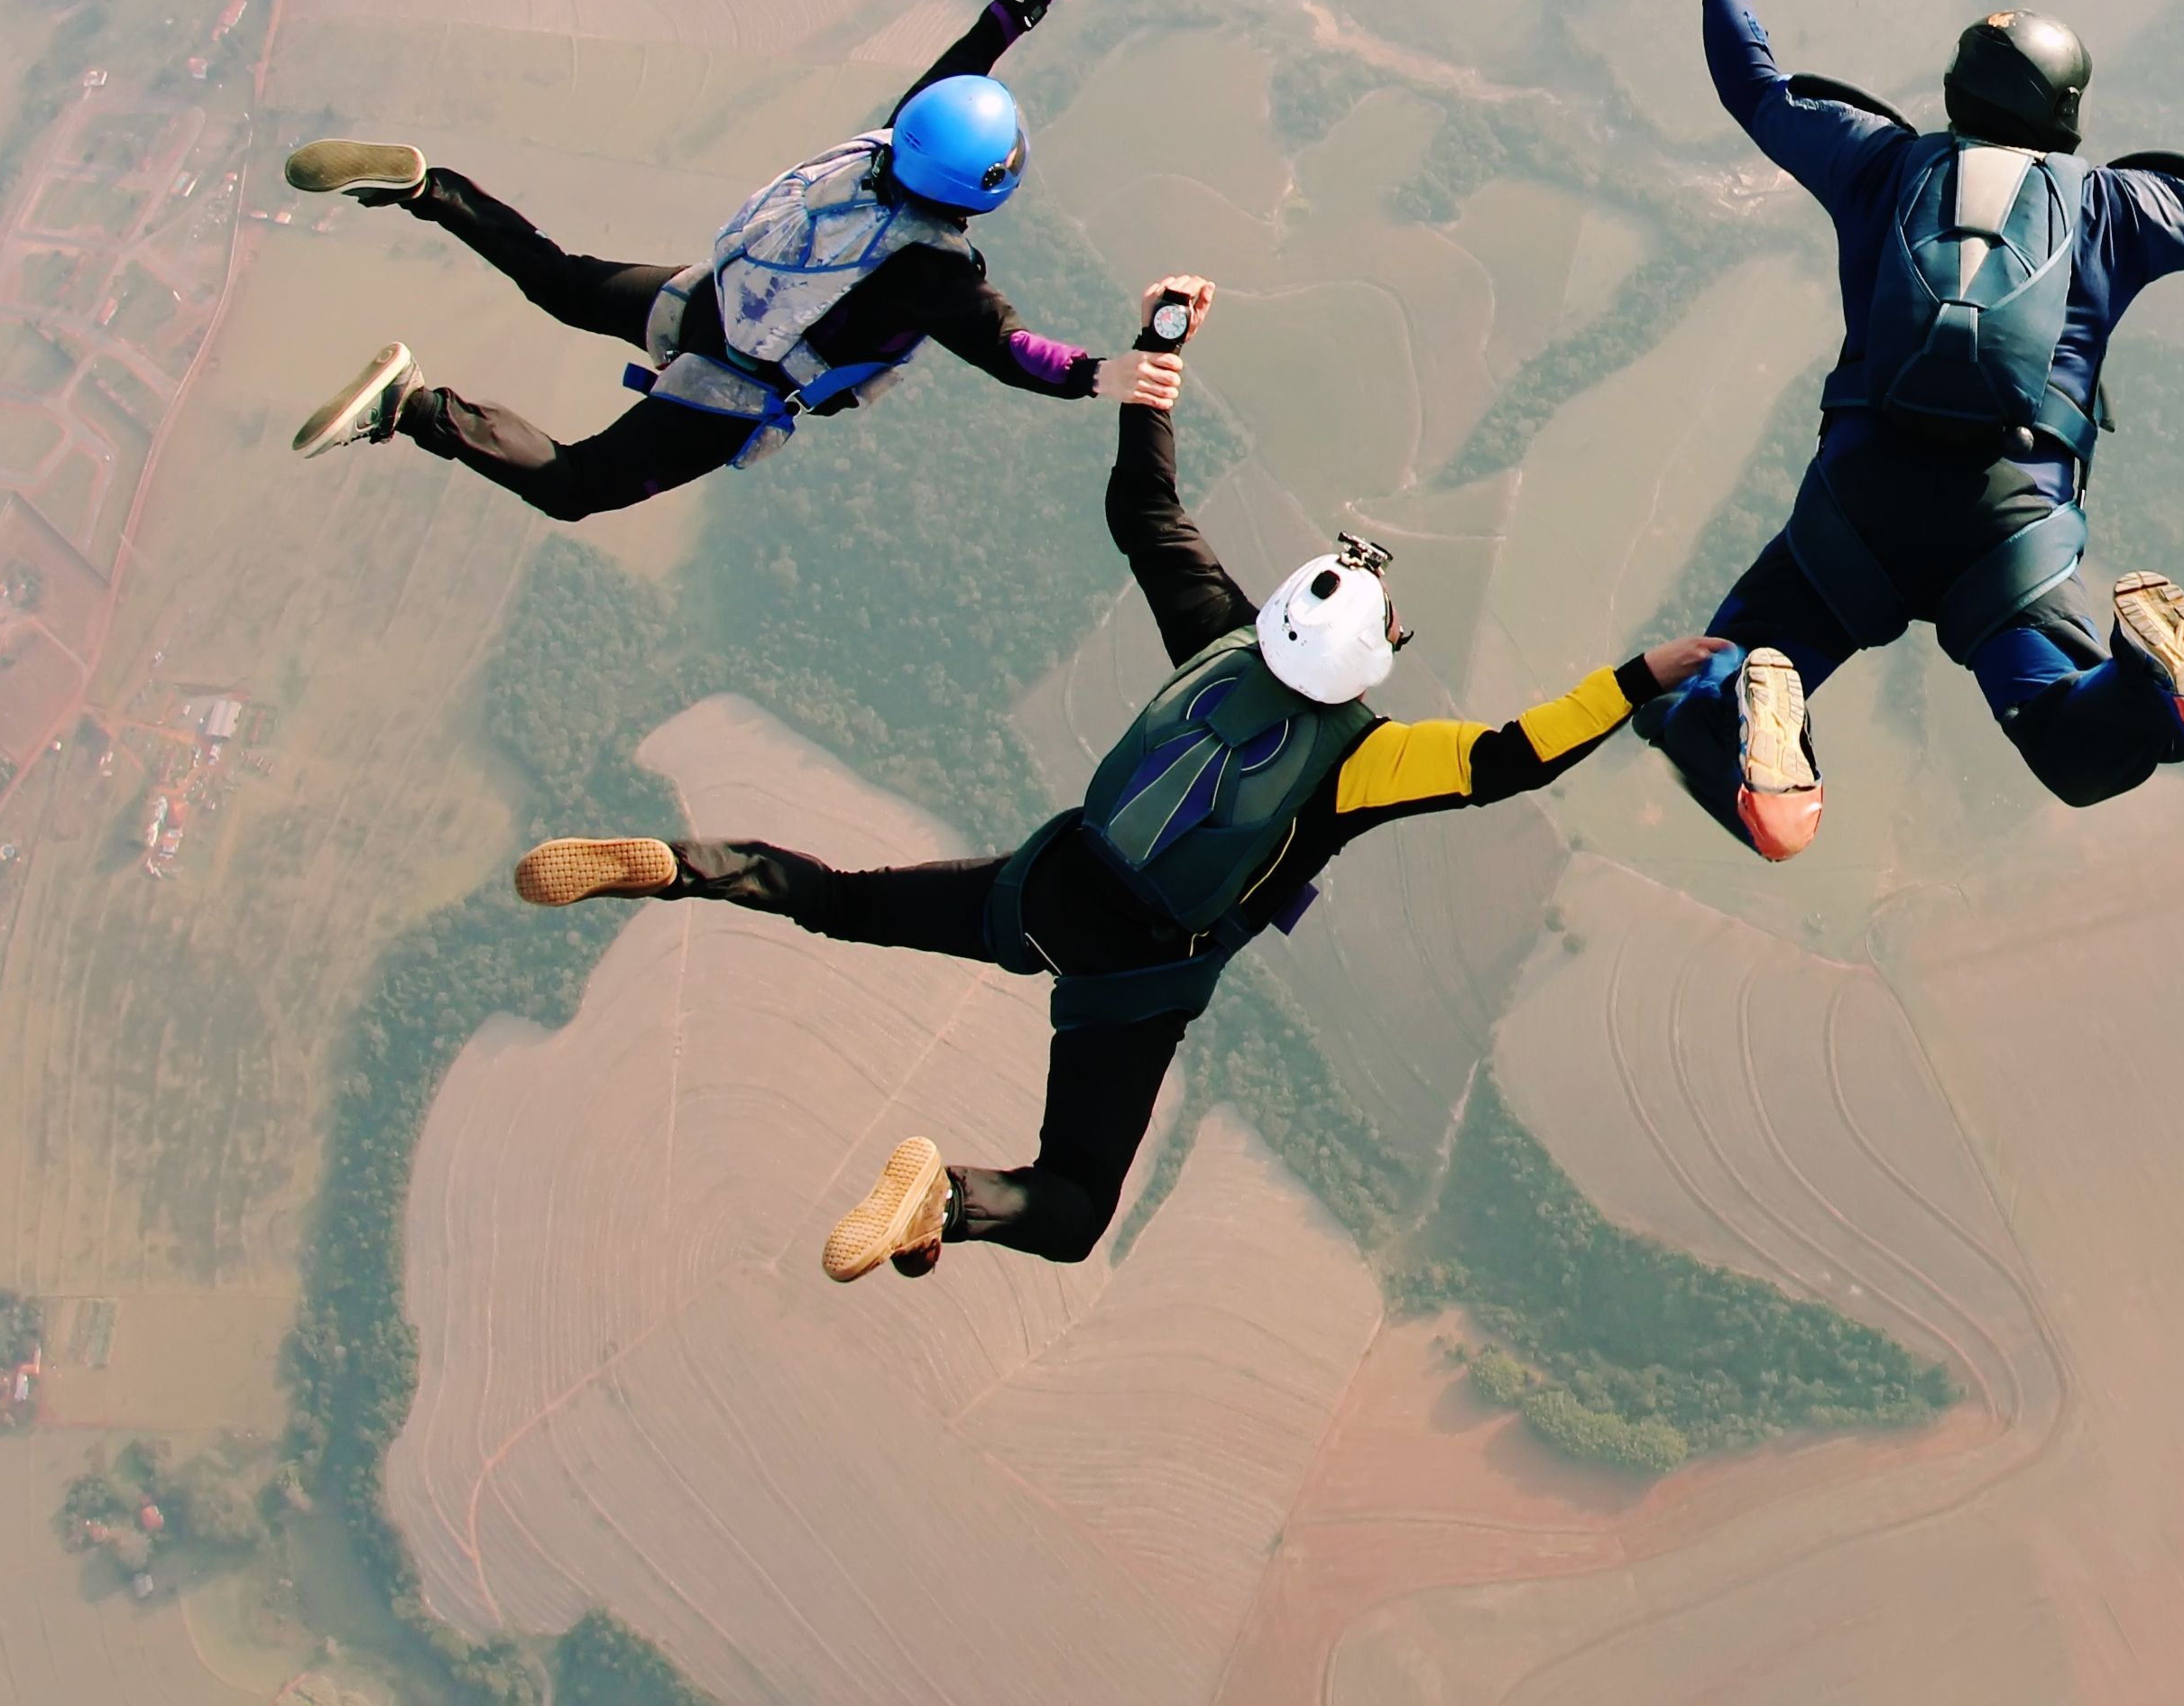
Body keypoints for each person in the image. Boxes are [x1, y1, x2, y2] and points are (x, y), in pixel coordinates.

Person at [507, 278, 1723, 1281]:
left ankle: (682, 868)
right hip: (1139, 977)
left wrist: (1159, 348)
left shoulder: (1215, 636)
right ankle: (949, 1199)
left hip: (1050, 882)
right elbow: (1513, 758)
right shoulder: (1367, 759)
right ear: (1371, 661)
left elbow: (1143, 501)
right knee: (1076, 1208)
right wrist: (1642, 674)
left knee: (844, 900)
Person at [1634, 0, 2184, 858]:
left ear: (1953, 91)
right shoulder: (2116, 205)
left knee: (1696, 697)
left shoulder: (1877, 163)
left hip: (1857, 503)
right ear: (2067, 113)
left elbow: (1754, 90)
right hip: (2011, 522)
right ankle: (2149, 680)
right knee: (2080, 751)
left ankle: (1756, 702)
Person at [276, 0, 1103, 520]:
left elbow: (971, 52)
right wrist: (1107, 376)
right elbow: (1014, 352)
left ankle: (432, 192)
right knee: (576, 484)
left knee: (562, 283)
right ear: (987, 189)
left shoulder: (893, 140)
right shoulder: (935, 273)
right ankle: (412, 407)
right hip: (739, 382)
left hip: (714, 297)